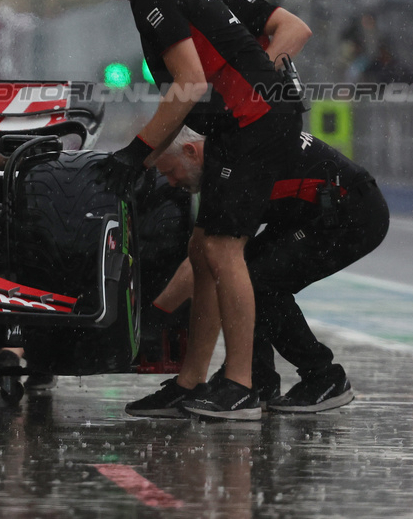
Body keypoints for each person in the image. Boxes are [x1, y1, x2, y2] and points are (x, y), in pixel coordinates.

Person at [97, 0, 302, 421]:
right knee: (202, 246)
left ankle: (242, 385)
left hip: (254, 120)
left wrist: (135, 153)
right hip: (241, 121)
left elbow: (188, 83)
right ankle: (191, 382)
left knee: (223, 249)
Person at [130, 126, 388, 415]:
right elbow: (203, 253)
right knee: (241, 276)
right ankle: (258, 381)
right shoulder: (222, 160)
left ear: (191, 151)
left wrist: (154, 317)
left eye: (171, 171)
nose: (172, 181)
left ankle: (324, 376)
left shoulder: (237, 168)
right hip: (309, 211)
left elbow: (204, 261)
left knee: (255, 282)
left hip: (352, 212)